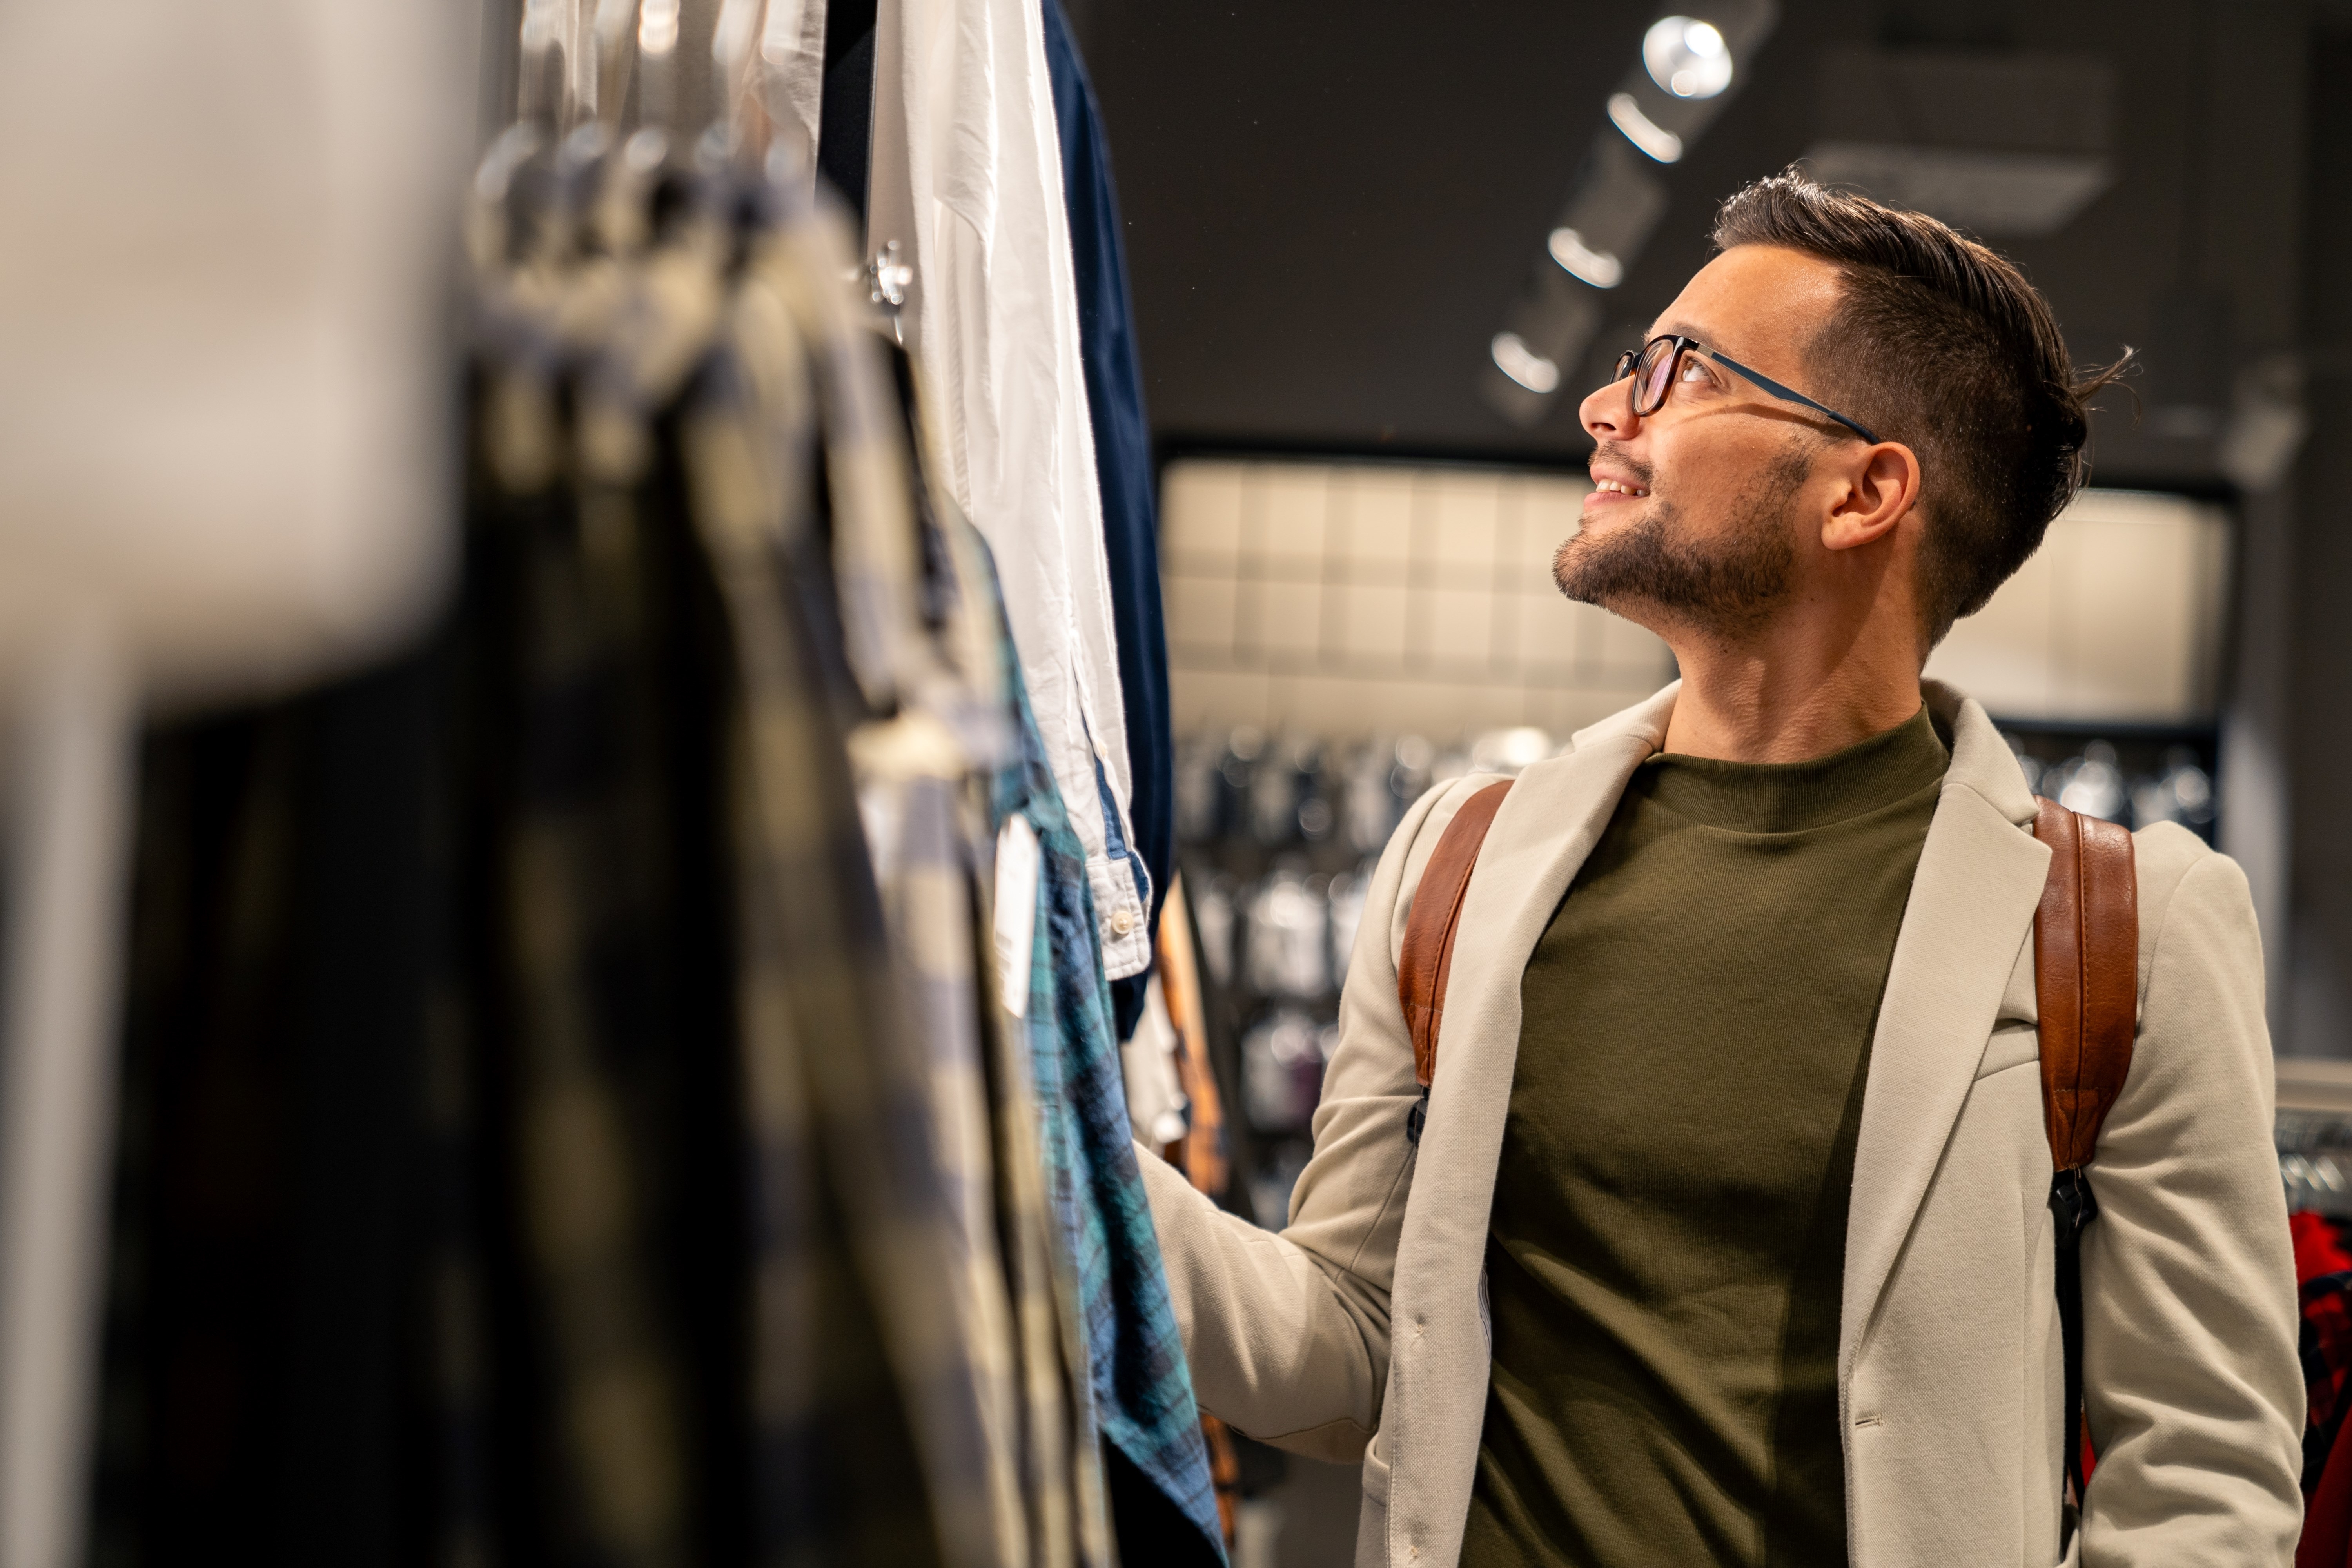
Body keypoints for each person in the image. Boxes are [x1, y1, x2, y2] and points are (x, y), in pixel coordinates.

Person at [1135, 171, 2303, 1568]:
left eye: (1677, 371)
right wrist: (1046, 1129)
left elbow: (2206, 1476)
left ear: (1864, 492)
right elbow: (1349, 1347)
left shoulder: (2124, 926)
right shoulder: (1462, 858)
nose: (1605, 409)